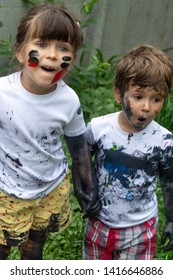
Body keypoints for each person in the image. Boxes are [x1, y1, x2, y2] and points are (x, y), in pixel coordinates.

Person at [0, 4, 100, 260]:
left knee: (34, 247)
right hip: (7, 193)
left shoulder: (68, 101)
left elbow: (79, 152)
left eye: (63, 48)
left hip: (50, 191)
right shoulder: (2, 94)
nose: (53, 55)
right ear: (20, 52)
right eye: (42, 44)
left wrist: (86, 190)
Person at [83, 44, 173, 260]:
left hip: (140, 229)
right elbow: (82, 165)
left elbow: (169, 182)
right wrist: (87, 194)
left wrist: (171, 219)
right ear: (118, 93)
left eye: (156, 99)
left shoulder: (165, 141)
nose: (146, 107)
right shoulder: (98, 128)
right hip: (99, 222)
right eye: (138, 96)